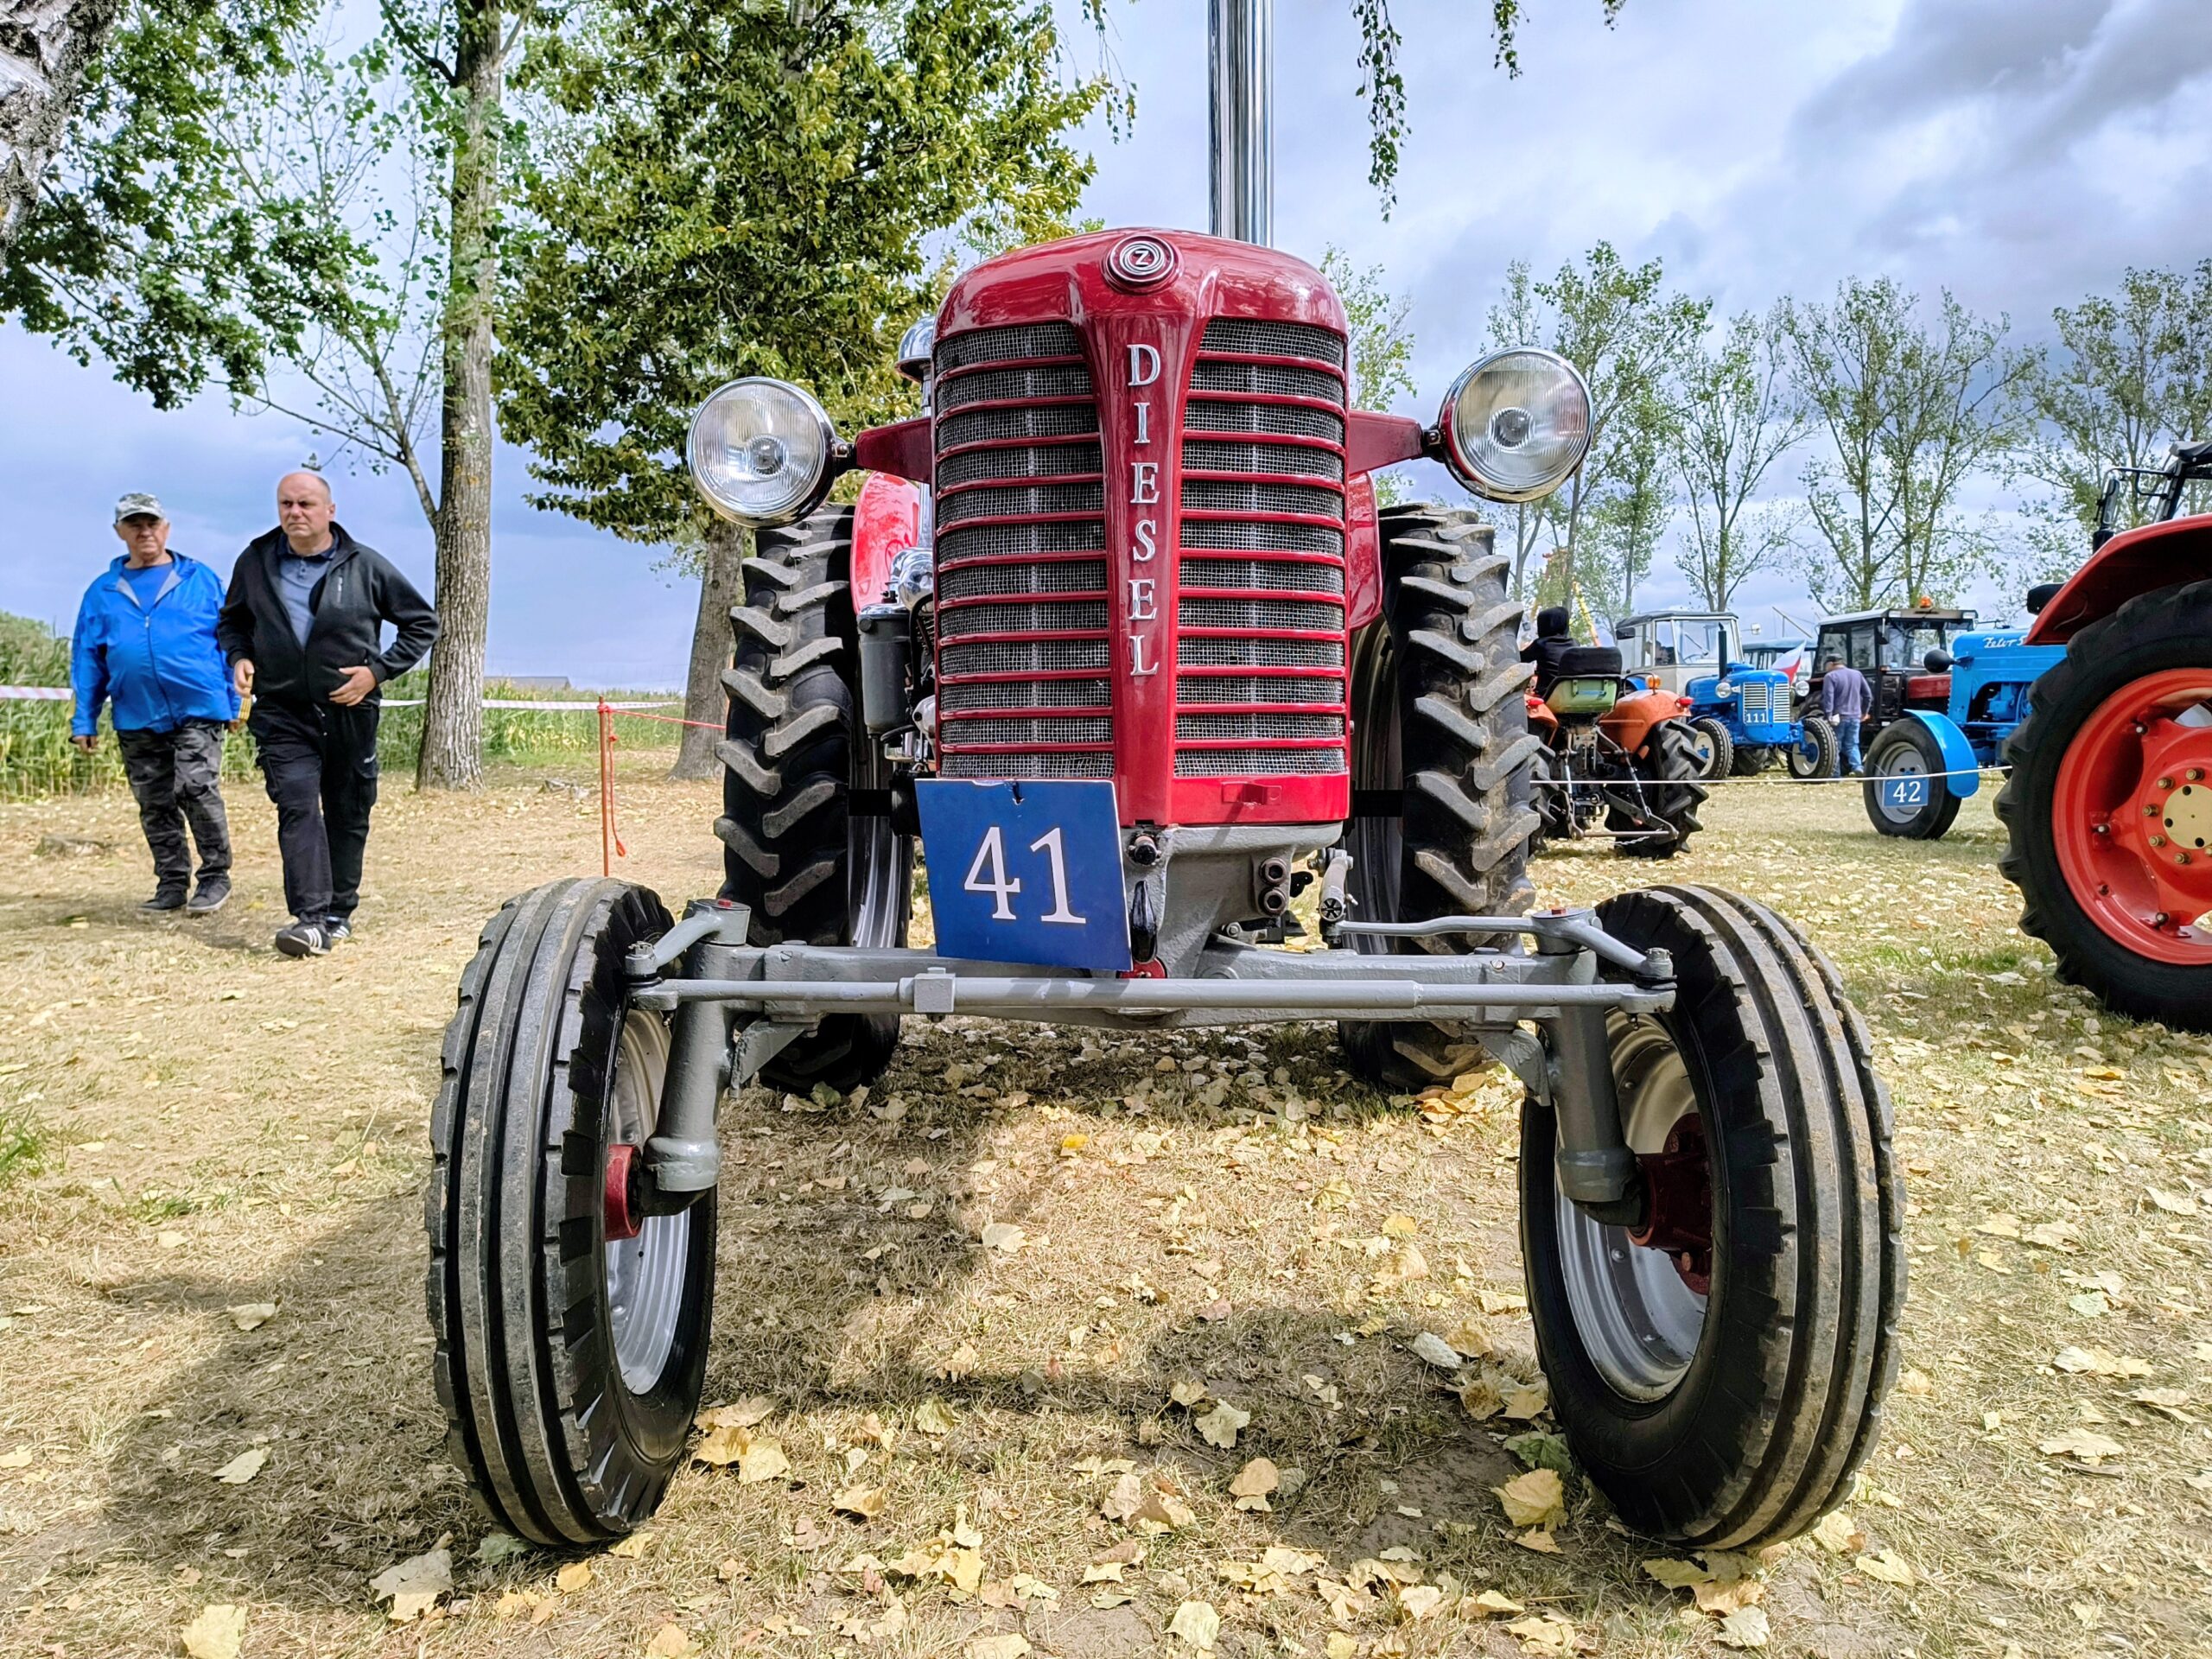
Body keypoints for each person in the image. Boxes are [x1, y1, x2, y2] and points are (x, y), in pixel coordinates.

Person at [217, 472, 437, 958]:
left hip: (348, 711)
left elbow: (422, 624)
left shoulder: (365, 565)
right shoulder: (255, 561)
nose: (295, 512)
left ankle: (339, 912)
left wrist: (376, 673)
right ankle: (311, 919)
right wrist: (240, 656)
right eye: (286, 504)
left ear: (330, 511)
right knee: (297, 803)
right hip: (281, 710)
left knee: (347, 809)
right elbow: (233, 621)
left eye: (306, 504)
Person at [68, 493, 238, 913]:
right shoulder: (102, 592)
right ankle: (171, 883)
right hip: (136, 712)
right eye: (134, 525)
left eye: (152, 523)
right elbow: (88, 658)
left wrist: (235, 701)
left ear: (166, 528)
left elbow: (231, 641)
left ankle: (215, 877)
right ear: (119, 532)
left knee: (195, 787)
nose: (144, 532)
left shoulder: (201, 579)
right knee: (155, 802)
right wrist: (84, 719)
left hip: (199, 707)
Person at [1821, 654, 1871, 775]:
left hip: (1838, 717)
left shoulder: (1830, 676)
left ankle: (1835, 775)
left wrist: (1828, 716)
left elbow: (1828, 698)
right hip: (1855, 716)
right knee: (1852, 745)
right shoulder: (1857, 674)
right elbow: (1868, 695)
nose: (1825, 668)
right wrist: (1864, 713)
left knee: (1835, 746)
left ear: (1831, 664)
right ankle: (1858, 767)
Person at [1520, 605, 1578, 697]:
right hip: (1572, 693)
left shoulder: (1541, 644)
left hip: (1548, 693)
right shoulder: (1574, 644)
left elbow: (1521, 659)